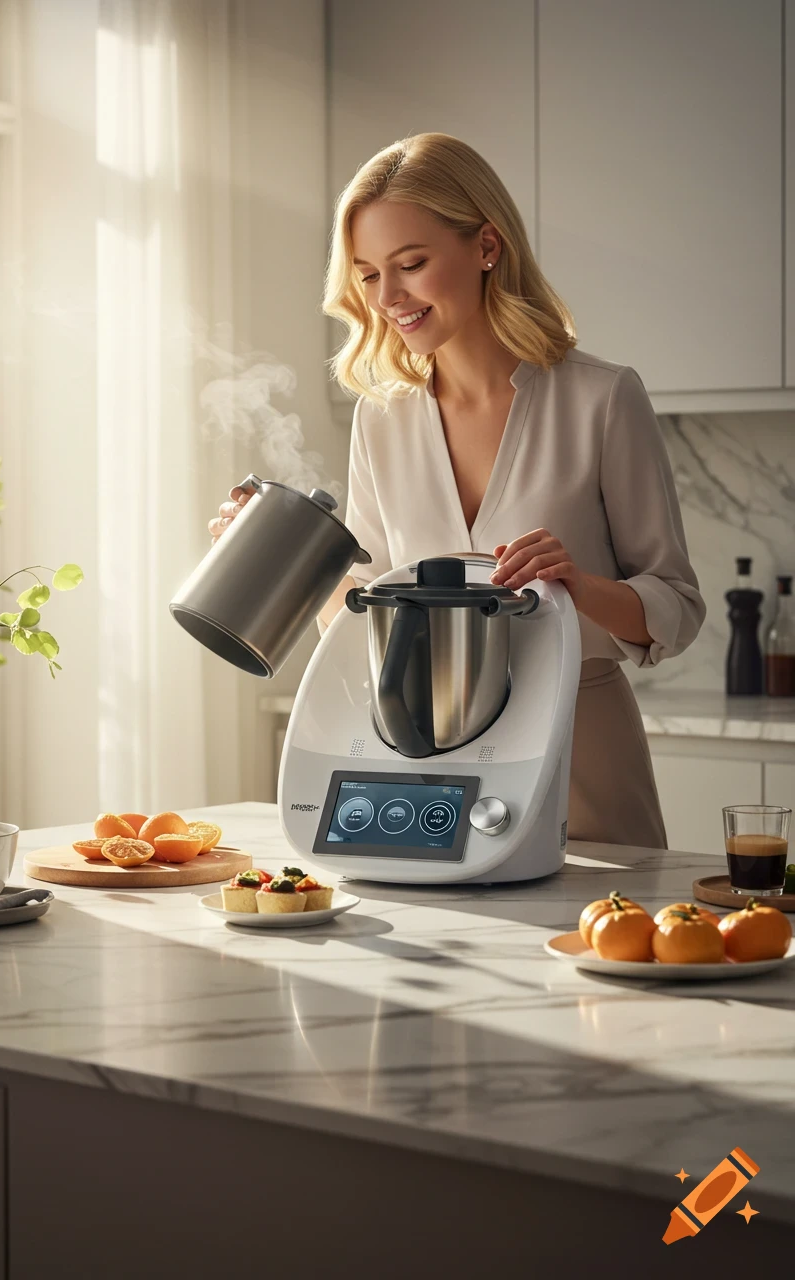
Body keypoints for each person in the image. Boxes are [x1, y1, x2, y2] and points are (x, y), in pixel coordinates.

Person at [209, 132, 706, 849]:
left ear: (487, 246)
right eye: (368, 274)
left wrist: (576, 585)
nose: (388, 298)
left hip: (581, 756)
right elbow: (366, 615)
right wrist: (277, 557)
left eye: (411, 264)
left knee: (599, 923)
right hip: (426, 760)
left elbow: (677, 606)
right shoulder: (381, 419)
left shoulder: (601, 399)